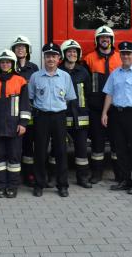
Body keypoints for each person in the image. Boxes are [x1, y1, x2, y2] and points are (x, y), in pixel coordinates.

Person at [100, 41, 132, 195]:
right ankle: (125, 180)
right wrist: (104, 113)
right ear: (120, 55)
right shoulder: (115, 73)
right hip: (117, 114)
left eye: (129, 53)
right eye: (123, 53)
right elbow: (109, 94)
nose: (126, 56)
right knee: (119, 149)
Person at [27, 42, 76, 197]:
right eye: (48, 56)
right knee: (40, 151)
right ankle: (39, 184)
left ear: (59, 58)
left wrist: (57, 108)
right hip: (41, 117)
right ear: (44, 58)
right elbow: (30, 98)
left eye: (54, 56)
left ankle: (62, 185)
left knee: (61, 151)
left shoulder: (65, 77)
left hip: (59, 117)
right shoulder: (35, 77)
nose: (51, 59)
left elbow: (68, 99)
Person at [0, 49, 30, 198]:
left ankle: (12, 186)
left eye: (8, 62)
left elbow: (25, 105)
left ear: (13, 64)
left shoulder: (20, 81)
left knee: (14, 158)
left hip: (14, 127)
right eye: (2, 62)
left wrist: (23, 123)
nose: (5, 64)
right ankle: (0, 186)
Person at [82, 25, 122, 184]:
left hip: (116, 107)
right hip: (96, 108)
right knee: (97, 142)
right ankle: (97, 174)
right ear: (97, 40)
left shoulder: (120, 58)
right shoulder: (89, 58)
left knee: (116, 141)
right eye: (101, 38)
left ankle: (119, 174)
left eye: (107, 38)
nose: (104, 40)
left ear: (112, 40)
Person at [59, 39, 93, 189]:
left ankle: (82, 178)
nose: (72, 54)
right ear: (64, 54)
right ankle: (57, 177)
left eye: (74, 52)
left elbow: (88, 94)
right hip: (63, 116)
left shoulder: (83, 72)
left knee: (81, 150)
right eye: (69, 51)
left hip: (81, 116)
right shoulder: (58, 72)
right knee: (58, 150)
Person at [10, 35, 39, 186]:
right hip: (12, 116)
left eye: (23, 47)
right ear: (13, 50)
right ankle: (14, 176)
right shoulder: (8, 67)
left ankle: (29, 175)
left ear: (28, 50)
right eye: (17, 47)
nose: (20, 49)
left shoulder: (33, 68)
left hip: (30, 116)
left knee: (28, 147)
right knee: (14, 148)